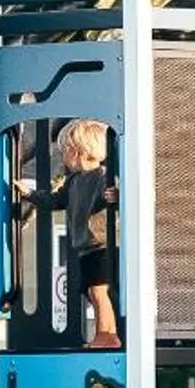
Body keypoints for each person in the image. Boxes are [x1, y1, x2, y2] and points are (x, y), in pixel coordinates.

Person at [56, 118, 120, 349]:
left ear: (78, 152)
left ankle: (106, 335)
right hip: (86, 246)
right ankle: (108, 333)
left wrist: (117, 196)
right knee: (91, 292)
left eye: (65, 152)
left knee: (98, 290)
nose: (63, 157)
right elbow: (57, 200)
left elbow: (119, 195)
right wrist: (31, 195)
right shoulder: (73, 181)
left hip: (103, 244)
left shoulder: (103, 176)